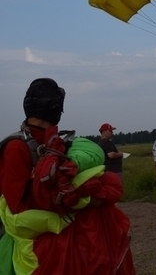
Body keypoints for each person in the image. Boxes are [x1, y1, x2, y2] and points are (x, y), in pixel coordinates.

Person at [0, 78, 135, 274]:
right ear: (55, 107)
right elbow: (17, 209)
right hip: (44, 248)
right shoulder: (17, 147)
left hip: (74, 243)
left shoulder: (59, 142)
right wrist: (77, 200)